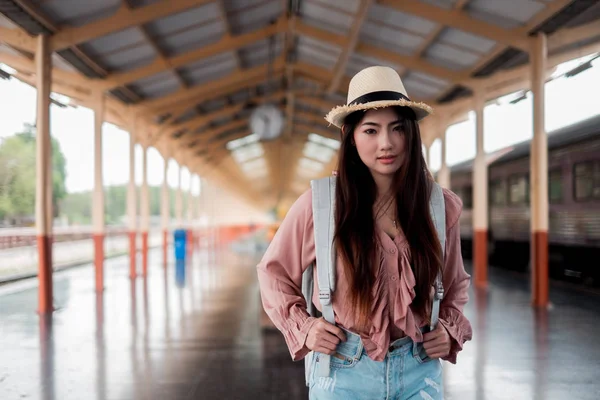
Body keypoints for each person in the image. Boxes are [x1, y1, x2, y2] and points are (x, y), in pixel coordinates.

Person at [256, 66, 472, 399]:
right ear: (351, 136)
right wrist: (305, 327)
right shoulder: (321, 205)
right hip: (342, 373)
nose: (386, 143)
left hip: (419, 372)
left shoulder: (439, 207)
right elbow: (273, 273)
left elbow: (454, 284)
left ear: (410, 134)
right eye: (371, 130)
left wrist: (449, 329)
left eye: (397, 129)